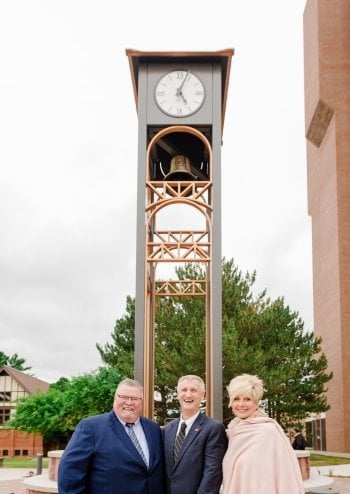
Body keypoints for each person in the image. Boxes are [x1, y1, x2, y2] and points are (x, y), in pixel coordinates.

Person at [58, 378, 165, 494]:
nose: (129, 402)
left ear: (142, 401)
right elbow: (70, 475)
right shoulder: (91, 427)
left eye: (135, 398)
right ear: (115, 398)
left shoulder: (153, 428)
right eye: (123, 397)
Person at [222, 374, 305, 494]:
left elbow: (281, 476)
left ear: (256, 403)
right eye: (236, 399)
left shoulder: (268, 431)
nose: (241, 404)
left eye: (247, 399)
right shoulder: (232, 432)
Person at [163, 374, 227, 494]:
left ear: (203, 395)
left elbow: (212, 472)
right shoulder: (168, 429)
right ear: (177, 394)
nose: (188, 395)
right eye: (184, 390)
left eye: (193, 390)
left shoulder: (213, 428)